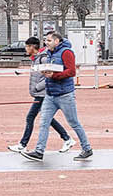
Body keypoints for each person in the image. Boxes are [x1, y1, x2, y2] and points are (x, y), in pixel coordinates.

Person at [21, 30, 93, 161]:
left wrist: (54, 75)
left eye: (48, 40)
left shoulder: (66, 52)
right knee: (44, 122)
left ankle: (87, 148)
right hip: (50, 93)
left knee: (73, 122)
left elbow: (71, 72)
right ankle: (39, 151)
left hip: (64, 94)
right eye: (46, 40)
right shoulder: (49, 53)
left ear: (56, 41)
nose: (46, 43)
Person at [7, 36, 73, 155]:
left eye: (27, 47)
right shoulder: (36, 58)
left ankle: (23, 144)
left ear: (32, 47)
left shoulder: (42, 58)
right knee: (48, 118)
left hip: (43, 93)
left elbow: (49, 73)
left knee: (31, 117)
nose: (25, 49)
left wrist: (38, 87)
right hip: (41, 93)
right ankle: (67, 138)